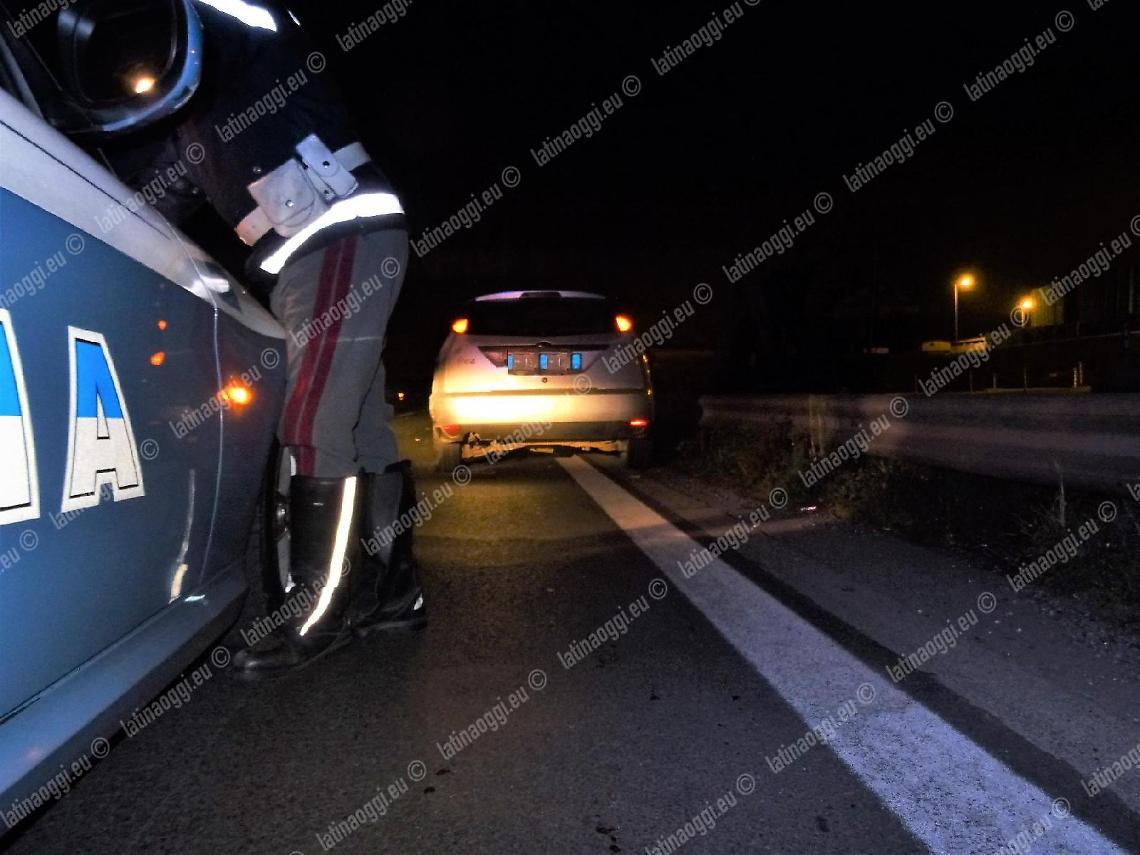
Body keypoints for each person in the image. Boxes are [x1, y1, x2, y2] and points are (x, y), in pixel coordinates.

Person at [108, 0, 426, 678]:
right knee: (359, 426)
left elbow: (236, 20)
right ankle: (395, 594)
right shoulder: (187, 123)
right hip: (313, 257)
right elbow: (145, 198)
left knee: (312, 421)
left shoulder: (244, 33)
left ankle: (315, 617)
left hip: (339, 231)